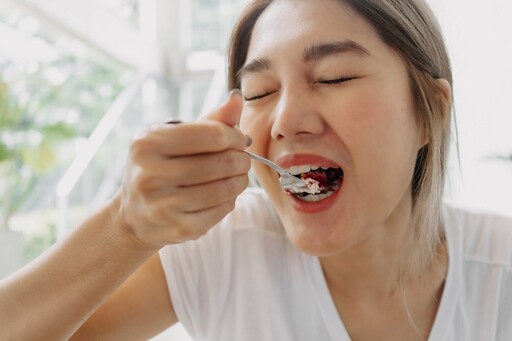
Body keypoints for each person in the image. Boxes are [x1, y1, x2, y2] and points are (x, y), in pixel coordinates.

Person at [1, 0, 512, 339]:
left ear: (431, 113)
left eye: (334, 77)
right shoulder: (221, 251)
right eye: (260, 93)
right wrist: (125, 228)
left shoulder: (500, 272)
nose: (285, 120)